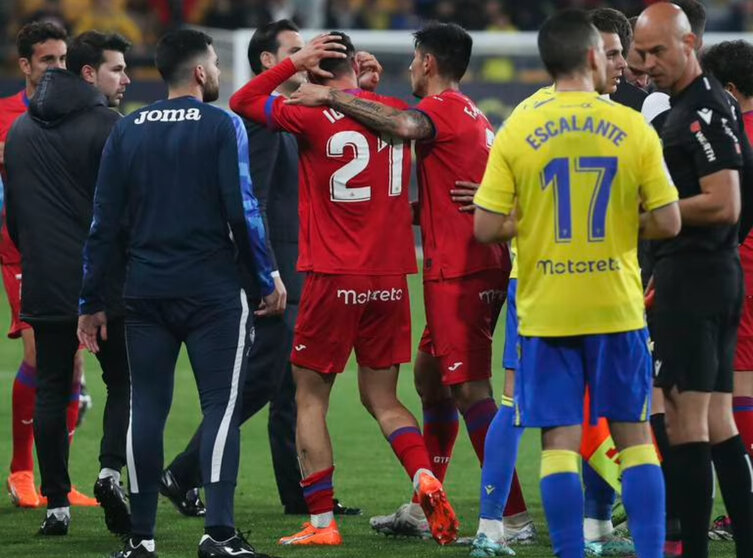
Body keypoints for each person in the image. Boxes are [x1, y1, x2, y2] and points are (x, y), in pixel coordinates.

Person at [286, 22, 533, 545]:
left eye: (414, 58)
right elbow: (446, 194)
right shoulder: (474, 114)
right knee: (428, 380)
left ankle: (511, 515)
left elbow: (400, 126)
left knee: (469, 389)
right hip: (473, 260)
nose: (410, 67)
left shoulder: (440, 111)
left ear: (427, 62)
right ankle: (427, 500)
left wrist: (332, 94)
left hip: (461, 270)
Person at [230, 32, 459, 547]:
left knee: (310, 399)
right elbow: (373, 119)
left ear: (316, 69)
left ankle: (320, 525)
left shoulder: (308, 113)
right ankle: (424, 478)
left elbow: (242, 101)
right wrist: (363, 88)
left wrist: (296, 66)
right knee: (385, 398)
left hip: (334, 277)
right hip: (391, 280)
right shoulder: (397, 112)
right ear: (356, 66)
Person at [475, 8, 680, 558]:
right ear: (594, 56)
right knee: (634, 439)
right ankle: (648, 551)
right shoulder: (632, 125)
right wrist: (621, 217)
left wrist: (534, 219)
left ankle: (566, 549)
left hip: (546, 307)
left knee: (559, 443)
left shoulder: (520, 124)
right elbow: (668, 222)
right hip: (616, 304)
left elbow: (485, 225)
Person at [77, 29, 283, 558]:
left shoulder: (128, 130)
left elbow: (103, 223)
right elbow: (244, 210)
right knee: (221, 405)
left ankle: (141, 540)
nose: (217, 71)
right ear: (199, 71)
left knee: (147, 406)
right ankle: (218, 534)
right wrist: (265, 278)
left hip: (144, 291)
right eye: (214, 63)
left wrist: (92, 302)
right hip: (212, 290)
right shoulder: (223, 124)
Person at [161, 19, 360, 519]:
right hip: (278, 274)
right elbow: (257, 205)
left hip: (293, 268)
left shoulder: (289, 115)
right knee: (259, 381)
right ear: (270, 62)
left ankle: (300, 495)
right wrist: (267, 273)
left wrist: (356, 87)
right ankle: (182, 472)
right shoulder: (263, 120)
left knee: (288, 387)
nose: (310, 55)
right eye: (296, 50)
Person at [634, 4, 753, 558]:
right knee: (716, 421)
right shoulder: (713, 104)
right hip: (713, 274)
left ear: (690, 44)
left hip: (694, 281)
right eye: (642, 52)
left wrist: (649, 215)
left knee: (684, 424)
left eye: (658, 51)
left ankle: (694, 551)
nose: (648, 63)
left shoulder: (699, 110)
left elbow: (725, 201)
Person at [4, 30, 133, 536]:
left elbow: (13, 218)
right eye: (117, 69)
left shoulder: (18, 131)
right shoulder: (109, 126)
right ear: (87, 73)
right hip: (104, 284)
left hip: (43, 282)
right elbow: (126, 213)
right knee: (124, 381)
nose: (125, 78)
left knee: (53, 387)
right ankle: (108, 472)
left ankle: (55, 502)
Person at [0, 21, 92, 511]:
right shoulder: (6, 114)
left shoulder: (80, 112)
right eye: (47, 61)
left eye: (63, 60)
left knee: (73, 364)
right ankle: (21, 471)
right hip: (22, 248)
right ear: (25, 66)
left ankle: (60, 476)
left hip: (70, 247)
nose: (58, 69)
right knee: (40, 356)